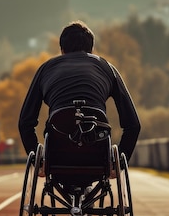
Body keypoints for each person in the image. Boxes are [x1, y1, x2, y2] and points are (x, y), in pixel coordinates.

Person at [18, 21, 140, 171]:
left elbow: (25, 122)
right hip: (97, 151)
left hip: (57, 154)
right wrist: (120, 162)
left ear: (62, 50)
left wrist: (38, 161)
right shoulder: (107, 68)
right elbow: (133, 124)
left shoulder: (46, 69)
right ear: (91, 50)